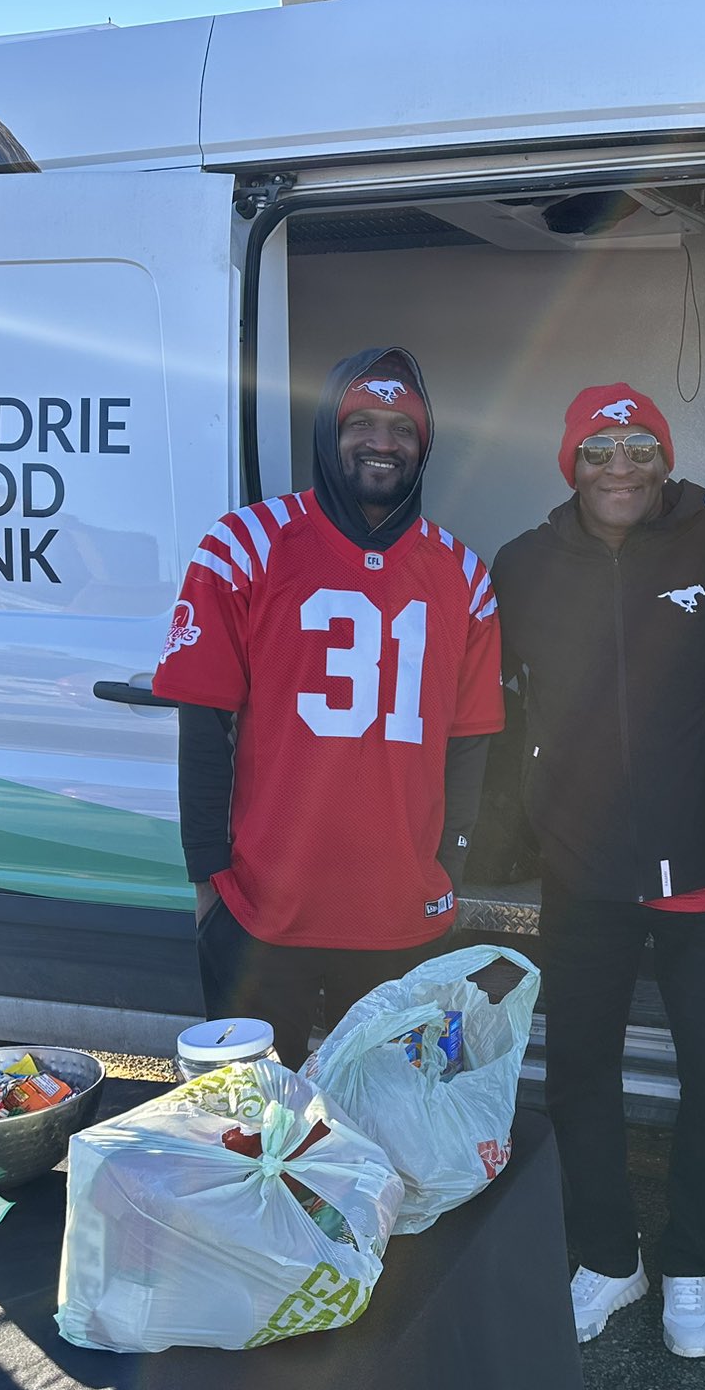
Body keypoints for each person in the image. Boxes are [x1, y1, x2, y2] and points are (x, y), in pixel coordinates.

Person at [490, 384, 705, 1359]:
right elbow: (492, 707)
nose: (619, 466)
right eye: (599, 449)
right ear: (569, 462)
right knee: (578, 1075)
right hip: (583, 870)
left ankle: (690, 1263)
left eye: (639, 447)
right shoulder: (520, 567)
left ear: (664, 461)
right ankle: (610, 1259)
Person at [152, 348, 504, 1066]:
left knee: (387, 1130)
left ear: (425, 444)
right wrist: (206, 883)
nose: (383, 441)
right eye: (362, 423)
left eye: (403, 427)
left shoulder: (463, 575)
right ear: (327, 432)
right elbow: (203, 725)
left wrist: (448, 876)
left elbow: (469, 747)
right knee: (253, 1130)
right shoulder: (243, 546)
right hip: (263, 909)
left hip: (400, 913)